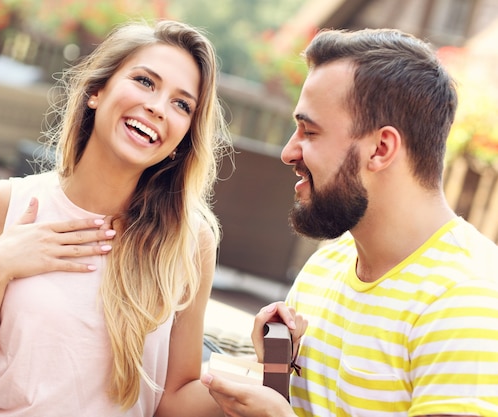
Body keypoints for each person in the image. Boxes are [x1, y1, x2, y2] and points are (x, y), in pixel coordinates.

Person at [0, 19, 233, 416]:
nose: (158, 108)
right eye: (145, 81)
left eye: (182, 104)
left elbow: (172, 401)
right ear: (96, 90)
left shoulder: (190, 241)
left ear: (183, 138)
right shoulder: (5, 204)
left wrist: (265, 377)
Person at [202, 27, 498, 416]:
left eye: (309, 131)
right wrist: (273, 372)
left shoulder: (468, 299)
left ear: (380, 149)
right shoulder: (325, 268)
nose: (289, 152)